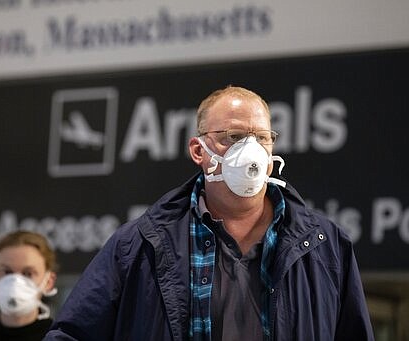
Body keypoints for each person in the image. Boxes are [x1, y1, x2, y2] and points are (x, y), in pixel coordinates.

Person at [43, 86, 374, 341]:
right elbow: (72, 335)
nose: (251, 151)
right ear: (198, 151)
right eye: (233, 136)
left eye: (262, 138)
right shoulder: (139, 245)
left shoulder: (325, 246)